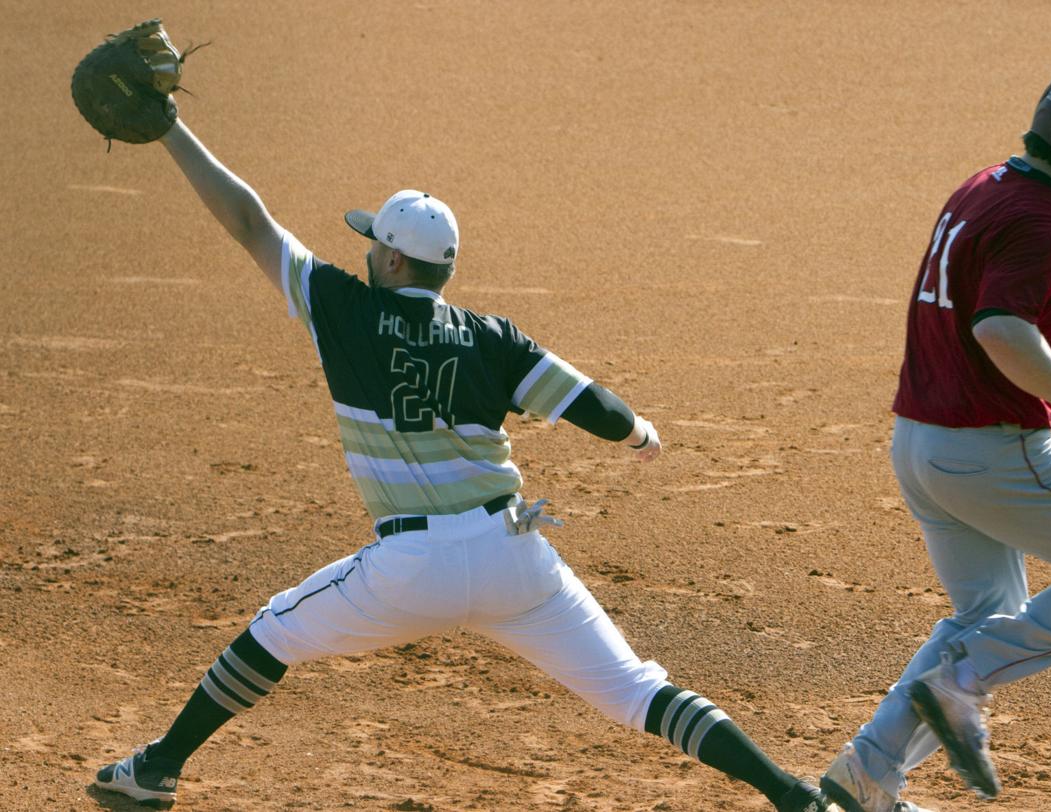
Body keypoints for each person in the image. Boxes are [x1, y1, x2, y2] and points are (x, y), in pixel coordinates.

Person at [89, 103, 833, 812]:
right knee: (638, 690)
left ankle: (156, 770)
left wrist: (173, 131)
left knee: (274, 631)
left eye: (368, 243)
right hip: (515, 557)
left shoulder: (340, 307)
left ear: (386, 257)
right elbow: (599, 413)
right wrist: (642, 432)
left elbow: (250, 220)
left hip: (410, 568)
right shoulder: (495, 338)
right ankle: (791, 794)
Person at [817, 68, 1051, 812]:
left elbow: (990, 311)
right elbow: (999, 328)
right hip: (990, 452)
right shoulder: (1048, 223)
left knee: (984, 611)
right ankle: (960, 681)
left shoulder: (984, 186)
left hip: (920, 445)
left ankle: (867, 775)